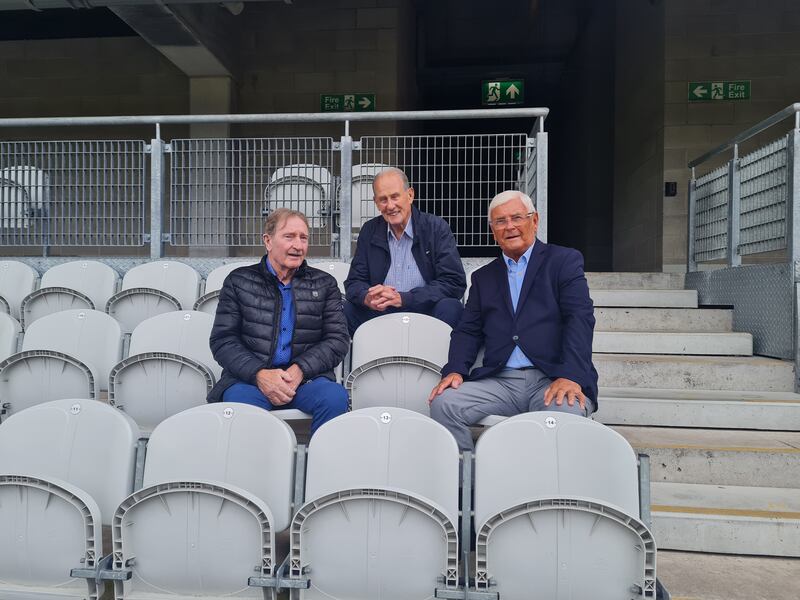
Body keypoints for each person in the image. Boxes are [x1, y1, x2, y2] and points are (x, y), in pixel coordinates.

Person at [428, 190, 598, 451]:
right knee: (444, 403)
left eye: (517, 217)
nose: (509, 226)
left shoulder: (563, 261)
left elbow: (579, 318)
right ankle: (469, 473)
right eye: (500, 221)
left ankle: (538, 479)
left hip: (551, 377)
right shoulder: (483, 278)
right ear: (493, 231)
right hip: (500, 381)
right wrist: (455, 370)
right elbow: (468, 331)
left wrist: (570, 375)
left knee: (565, 414)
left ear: (534, 220)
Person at [208, 208, 350, 435]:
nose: (298, 245)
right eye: (289, 236)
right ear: (268, 241)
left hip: (306, 381)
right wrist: (260, 374)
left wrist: (300, 369)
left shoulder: (324, 284)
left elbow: (337, 340)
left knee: (334, 397)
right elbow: (223, 340)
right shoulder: (239, 281)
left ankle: (320, 457)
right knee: (239, 404)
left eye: (303, 238)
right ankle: (260, 459)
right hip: (251, 381)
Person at [343, 167, 466, 335]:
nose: (390, 206)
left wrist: (405, 298)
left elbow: (453, 282)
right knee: (345, 310)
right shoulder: (369, 230)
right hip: (380, 312)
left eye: (395, 197)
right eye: (383, 199)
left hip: (424, 310)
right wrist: (367, 297)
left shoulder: (435, 228)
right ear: (376, 202)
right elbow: (354, 282)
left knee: (451, 307)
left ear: (410, 195)